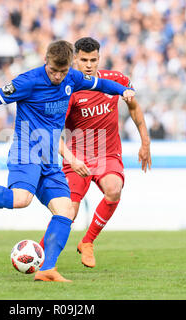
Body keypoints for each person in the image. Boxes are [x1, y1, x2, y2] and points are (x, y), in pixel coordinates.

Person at [0, 40, 136, 282]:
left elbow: (101, 84)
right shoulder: (28, 81)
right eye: (53, 70)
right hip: (26, 150)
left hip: (49, 156)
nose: (57, 76)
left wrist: (123, 90)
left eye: (62, 72)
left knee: (65, 211)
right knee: (21, 199)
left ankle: (48, 269)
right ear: (46, 62)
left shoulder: (72, 78)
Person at [39, 37, 151, 268]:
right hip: (76, 156)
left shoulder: (116, 80)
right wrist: (70, 158)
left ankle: (87, 242)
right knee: (68, 212)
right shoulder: (66, 90)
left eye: (93, 60)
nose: (89, 65)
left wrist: (145, 141)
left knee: (114, 189)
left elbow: (134, 106)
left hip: (107, 154)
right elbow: (51, 133)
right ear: (74, 60)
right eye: (83, 60)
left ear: (99, 58)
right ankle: (39, 253)